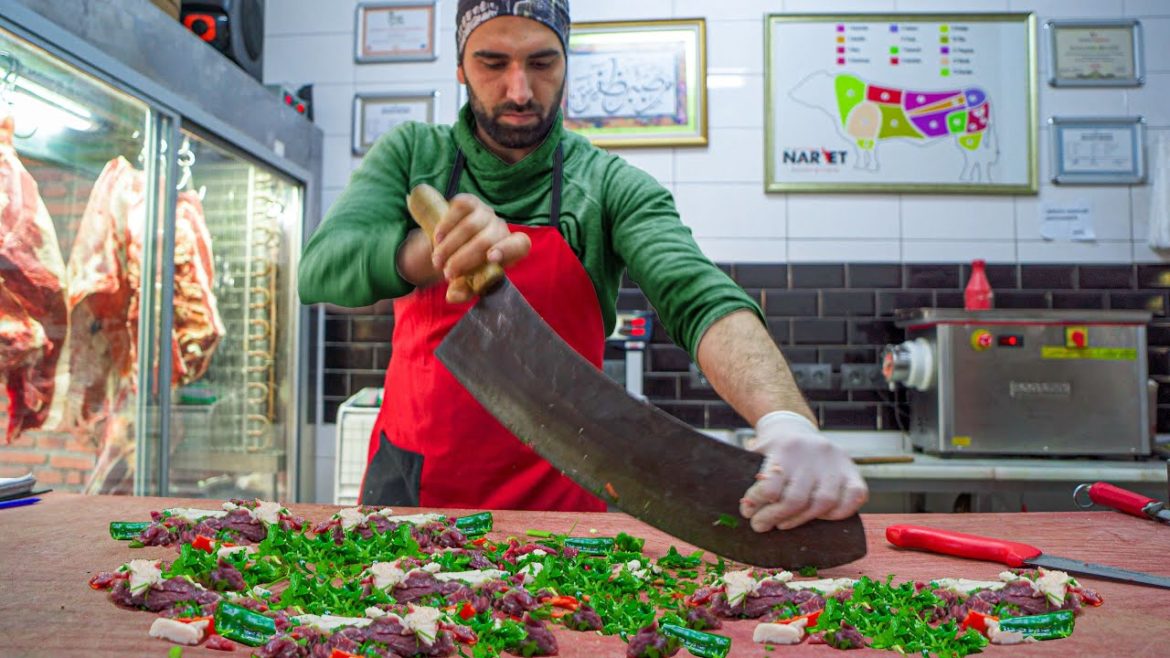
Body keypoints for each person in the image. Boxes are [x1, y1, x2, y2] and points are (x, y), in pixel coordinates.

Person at [298, 0, 868, 532]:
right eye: (491, 63)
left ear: (568, 65)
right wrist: (427, 254)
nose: (518, 90)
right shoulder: (413, 154)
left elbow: (698, 295)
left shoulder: (607, 185)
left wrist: (785, 418)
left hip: (561, 501)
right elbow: (319, 270)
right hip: (412, 487)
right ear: (460, 68)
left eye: (542, 63)